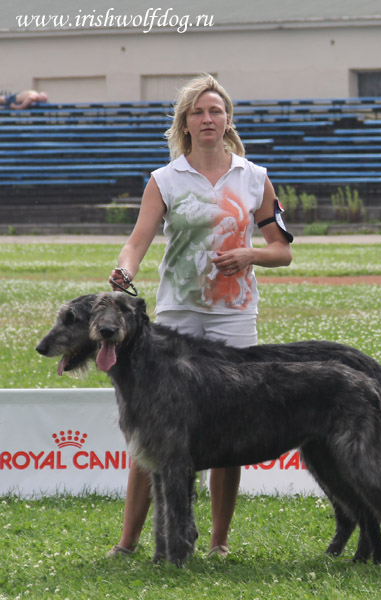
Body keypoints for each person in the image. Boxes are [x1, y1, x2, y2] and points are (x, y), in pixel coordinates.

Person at [106, 74, 293, 559]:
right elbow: (137, 242)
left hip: (233, 316)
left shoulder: (254, 177)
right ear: (185, 123)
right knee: (154, 429)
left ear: (228, 120)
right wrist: (124, 269)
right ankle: (127, 542)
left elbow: (282, 251)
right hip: (176, 318)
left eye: (215, 111)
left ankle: (218, 541)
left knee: (230, 426)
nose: (207, 119)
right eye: (197, 113)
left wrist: (249, 256)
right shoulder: (165, 180)